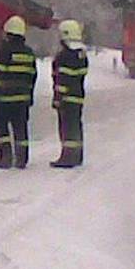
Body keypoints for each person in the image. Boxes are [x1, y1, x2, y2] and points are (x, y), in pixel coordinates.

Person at [0, 15, 37, 169]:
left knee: (1, 127)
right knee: (20, 128)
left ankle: (6, 157)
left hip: (4, 99)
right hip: (22, 99)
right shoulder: (29, 52)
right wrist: (29, 96)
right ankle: (22, 159)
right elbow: (32, 76)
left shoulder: (5, 51)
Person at [50, 19, 88, 168]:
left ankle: (68, 157)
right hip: (78, 96)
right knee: (76, 125)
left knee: (67, 127)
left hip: (66, 98)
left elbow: (62, 79)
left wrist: (58, 98)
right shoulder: (82, 55)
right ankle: (77, 155)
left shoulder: (64, 56)